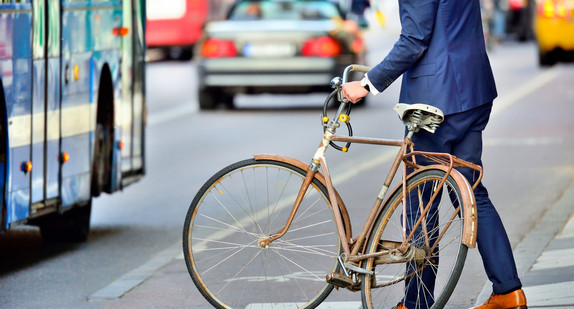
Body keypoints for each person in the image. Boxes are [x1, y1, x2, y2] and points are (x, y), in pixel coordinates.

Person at [341, 1, 527, 309]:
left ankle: (416, 303)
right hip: (474, 89)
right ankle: (509, 291)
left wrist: (367, 84)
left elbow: (414, 40)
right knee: (471, 193)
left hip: (435, 102)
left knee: (420, 204)